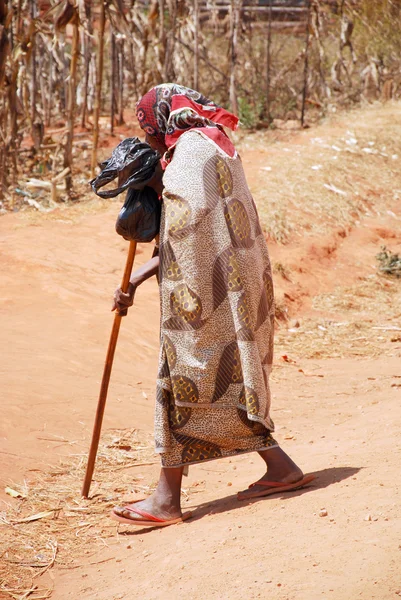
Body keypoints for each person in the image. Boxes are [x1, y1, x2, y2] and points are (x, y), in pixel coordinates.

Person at [111, 83, 314, 527]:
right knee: (223, 381)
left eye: (148, 128)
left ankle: (166, 501)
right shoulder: (217, 145)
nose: (148, 137)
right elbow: (196, 224)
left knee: (186, 381)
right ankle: (280, 469)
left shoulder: (188, 155)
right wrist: (138, 278)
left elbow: (186, 230)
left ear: (161, 120)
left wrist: (140, 270)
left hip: (202, 299)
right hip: (235, 288)